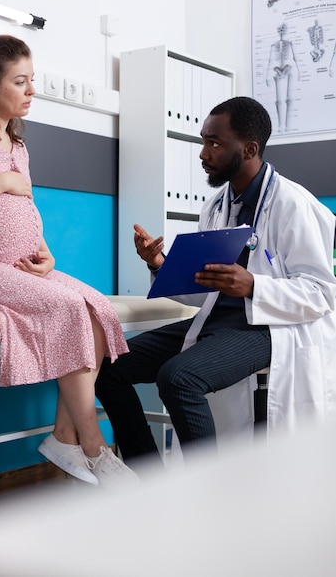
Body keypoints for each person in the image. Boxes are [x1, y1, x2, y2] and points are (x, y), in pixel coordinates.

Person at [0, 34, 137, 488]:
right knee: (65, 307)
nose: (31, 90)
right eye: (21, 81)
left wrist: (44, 251)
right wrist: (0, 182)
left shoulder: (17, 144)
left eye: (31, 80)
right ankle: (95, 445)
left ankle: (62, 436)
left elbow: (25, 210)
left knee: (96, 306)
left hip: (16, 265)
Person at [96, 96, 336, 469]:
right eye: (203, 141)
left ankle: (208, 496)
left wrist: (254, 285)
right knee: (110, 369)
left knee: (178, 378)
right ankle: (147, 481)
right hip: (217, 320)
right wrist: (160, 264)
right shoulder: (216, 204)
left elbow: (321, 293)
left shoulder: (294, 205)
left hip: (268, 326)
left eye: (214, 143)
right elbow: (203, 289)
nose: (203, 153)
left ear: (250, 148)